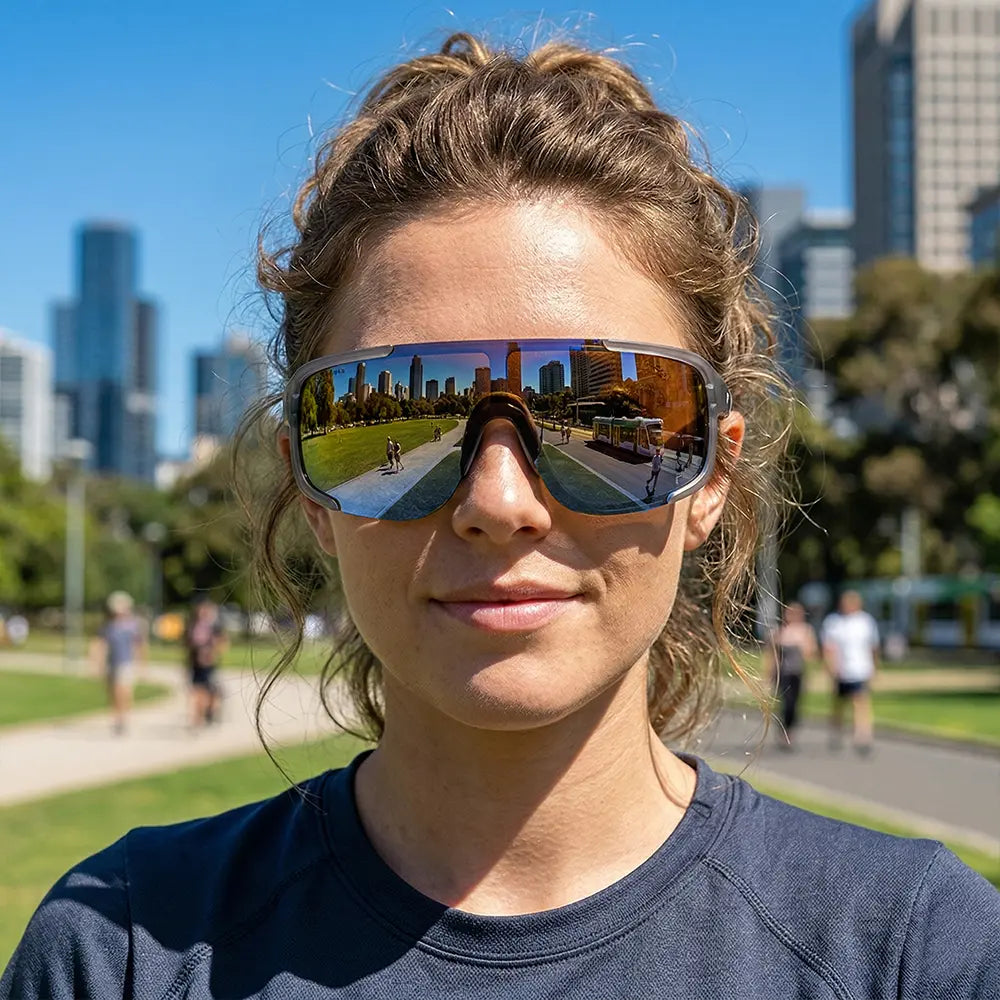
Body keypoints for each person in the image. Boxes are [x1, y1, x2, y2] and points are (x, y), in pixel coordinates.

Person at [4, 32, 997, 1000]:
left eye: (602, 417)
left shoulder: (918, 954)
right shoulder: (121, 952)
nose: (499, 502)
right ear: (308, 487)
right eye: (398, 417)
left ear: (710, 477)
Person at [822, 589, 881, 755]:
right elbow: (828, 647)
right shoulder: (834, 622)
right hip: (841, 670)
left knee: (860, 702)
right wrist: (831, 668)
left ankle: (862, 734)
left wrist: (875, 667)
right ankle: (837, 730)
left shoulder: (866, 621)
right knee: (839, 704)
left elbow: (873, 646)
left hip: (860, 669)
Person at [764, 602, 818, 750]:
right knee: (786, 703)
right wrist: (768, 673)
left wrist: (803, 645)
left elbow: (811, 653)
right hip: (783, 673)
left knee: (795, 704)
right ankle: (784, 731)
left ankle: (790, 730)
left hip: (797, 672)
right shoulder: (779, 632)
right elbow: (772, 655)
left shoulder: (806, 631)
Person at [91, 591, 146, 736]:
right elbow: (100, 645)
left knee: (124, 691)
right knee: (113, 693)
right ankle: (117, 718)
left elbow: (139, 646)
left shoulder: (133, 626)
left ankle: (123, 719)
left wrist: (141, 664)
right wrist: (97, 663)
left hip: (126, 663)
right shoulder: (108, 626)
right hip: (112, 663)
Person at [184, 597, 227, 728]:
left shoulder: (214, 626)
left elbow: (223, 642)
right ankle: (198, 717)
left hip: (208, 663)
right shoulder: (193, 624)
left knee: (206, 691)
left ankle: (205, 714)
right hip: (195, 663)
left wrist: (212, 652)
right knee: (196, 690)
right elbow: (187, 643)